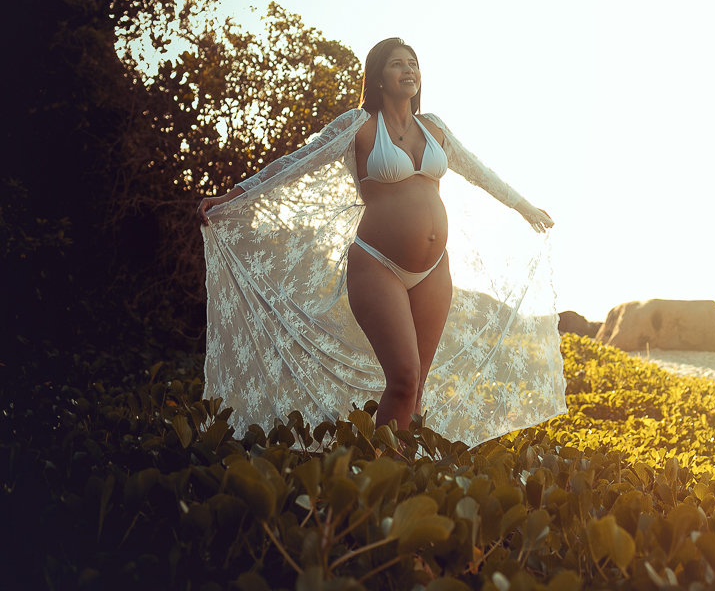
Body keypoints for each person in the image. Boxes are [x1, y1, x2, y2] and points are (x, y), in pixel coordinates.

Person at [196, 37, 565, 447]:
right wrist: (234, 196)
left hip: (433, 268)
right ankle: (377, 473)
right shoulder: (358, 126)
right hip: (377, 264)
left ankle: (408, 476)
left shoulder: (435, 128)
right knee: (404, 379)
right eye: (397, 64)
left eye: (413, 63)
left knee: (418, 385)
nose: (409, 70)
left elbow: (480, 172)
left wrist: (526, 209)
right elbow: (296, 164)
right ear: (377, 78)